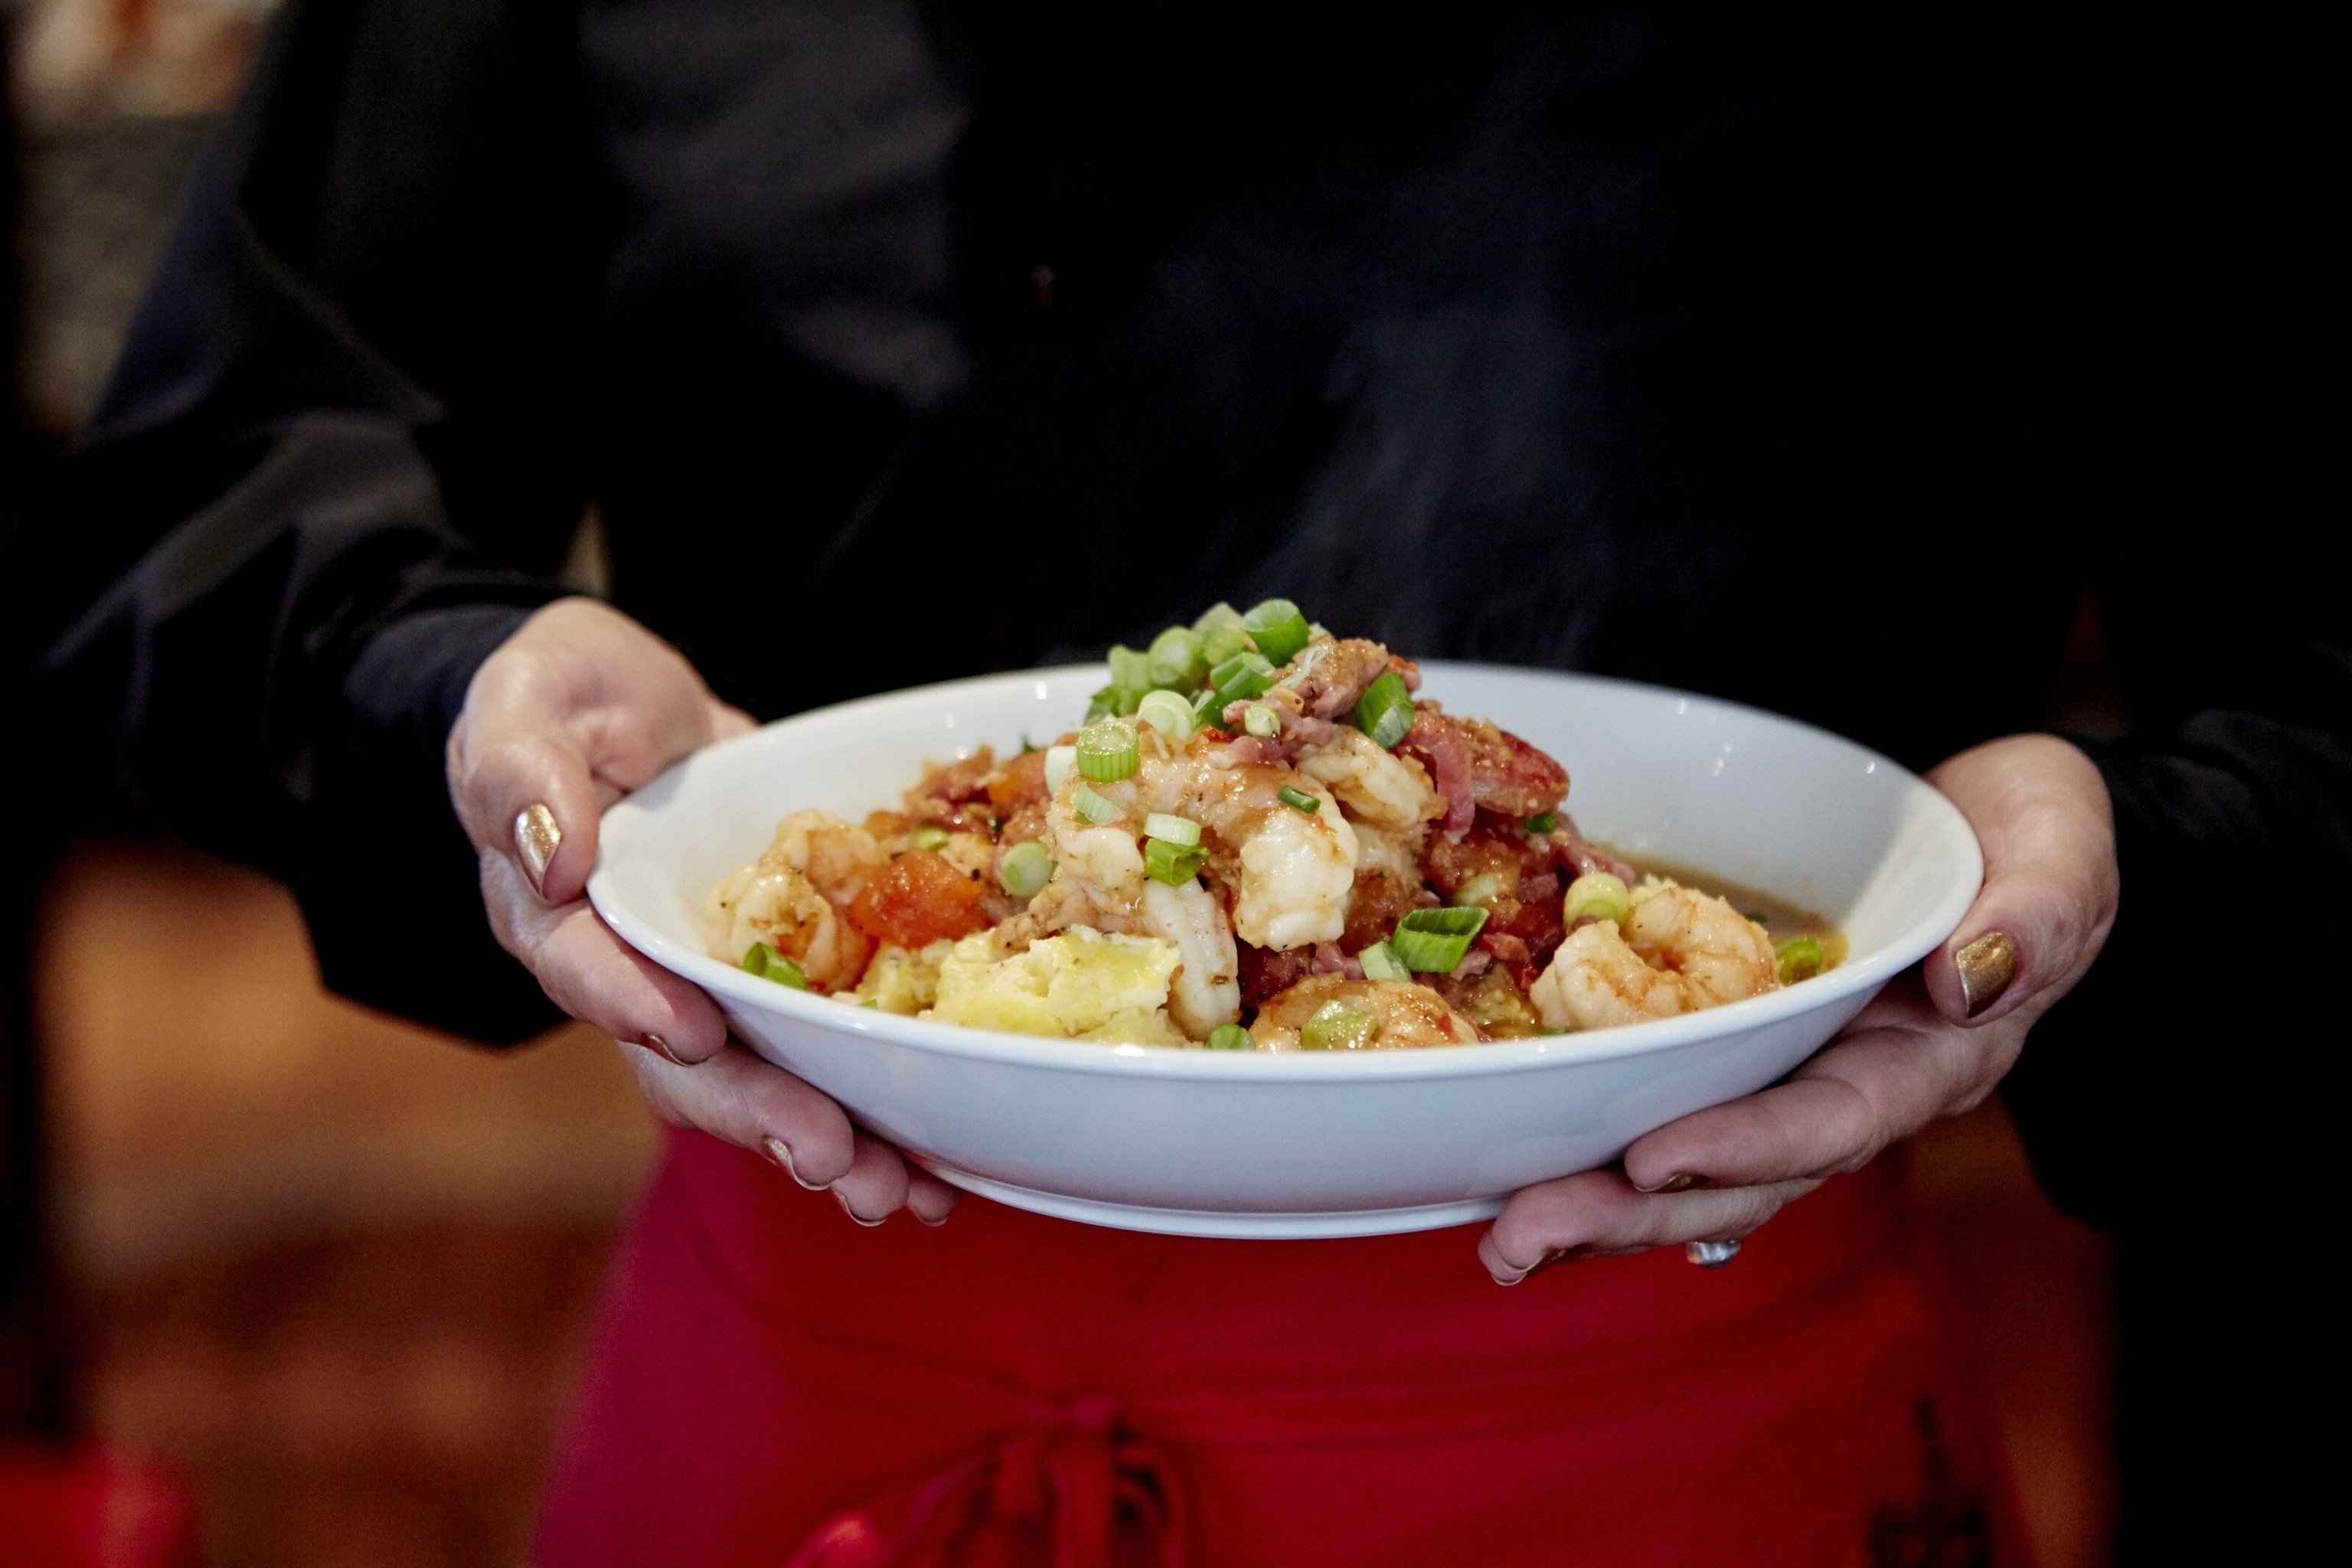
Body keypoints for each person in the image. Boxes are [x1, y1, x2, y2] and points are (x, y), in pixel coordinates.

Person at [11, 3, 2339, 1563]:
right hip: (824, 1364)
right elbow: (212, 493)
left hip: (1707, 1410)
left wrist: (2138, 853)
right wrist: (470, 688)